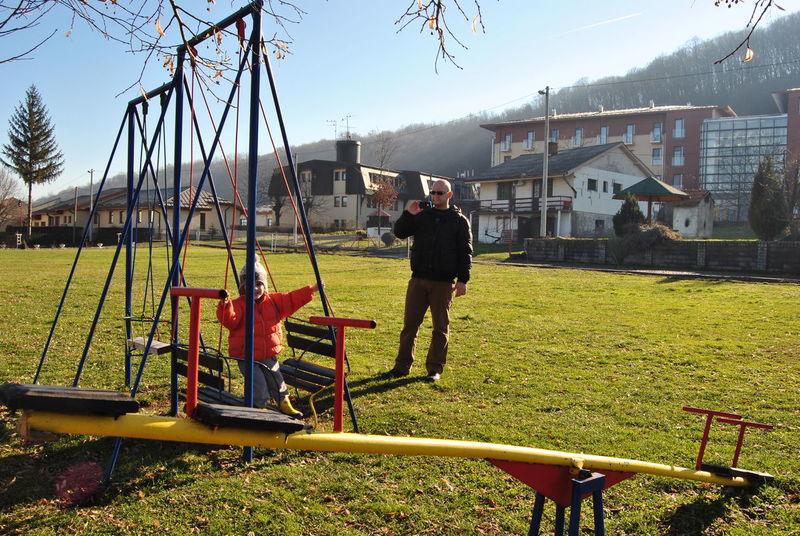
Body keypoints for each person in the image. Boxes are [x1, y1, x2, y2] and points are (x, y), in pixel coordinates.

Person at [384, 179, 472, 382]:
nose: (435, 196)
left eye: (440, 193)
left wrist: (463, 280)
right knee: (410, 326)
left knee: (440, 327)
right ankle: (401, 367)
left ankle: (434, 369)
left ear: (449, 195)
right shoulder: (422, 216)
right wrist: (409, 214)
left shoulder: (459, 221)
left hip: (443, 282)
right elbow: (399, 232)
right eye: (432, 192)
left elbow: (465, 251)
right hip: (418, 280)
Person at [217, 260, 319, 418]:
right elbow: (230, 320)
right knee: (258, 385)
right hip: (247, 355)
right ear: (243, 286)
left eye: (259, 284)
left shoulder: (273, 301)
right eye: (250, 284)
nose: (255, 288)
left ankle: (284, 403)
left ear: (264, 285)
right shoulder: (239, 304)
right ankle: (258, 408)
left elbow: (292, 298)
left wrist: (311, 290)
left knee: (277, 381)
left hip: (268, 354)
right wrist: (225, 306)